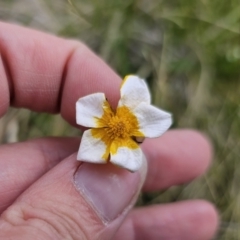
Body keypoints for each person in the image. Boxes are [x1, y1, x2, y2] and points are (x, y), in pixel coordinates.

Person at [0, 21, 218, 240]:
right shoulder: (94, 117)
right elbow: (87, 112)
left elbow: (136, 150)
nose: (119, 126)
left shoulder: (136, 120)